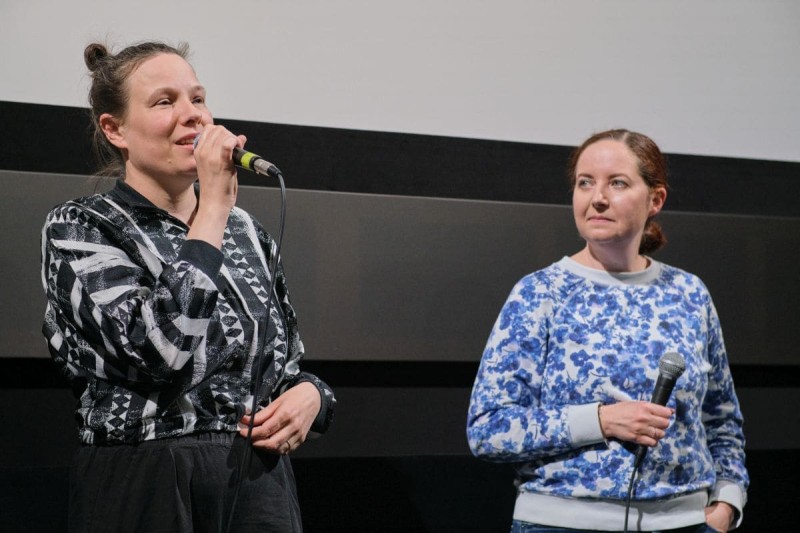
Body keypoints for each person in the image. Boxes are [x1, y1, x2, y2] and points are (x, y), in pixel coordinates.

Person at [40, 41, 335, 533]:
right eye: (164, 102)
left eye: (197, 98)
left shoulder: (247, 232)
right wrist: (213, 209)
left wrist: (312, 396)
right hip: (148, 478)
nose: (193, 115)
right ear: (115, 130)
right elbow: (158, 350)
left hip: (255, 481)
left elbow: (279, 362)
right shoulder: (82, 227)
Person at [466, 129, 748, 532]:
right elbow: (488, 429)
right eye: (585, 183)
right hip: (564, 524)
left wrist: (727, 502)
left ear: (656, 199)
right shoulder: (541, 292)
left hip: (684, 523)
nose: (597, 197)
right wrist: (601, 420)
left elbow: (721, 419)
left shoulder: (689, 293)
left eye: (617, 183)